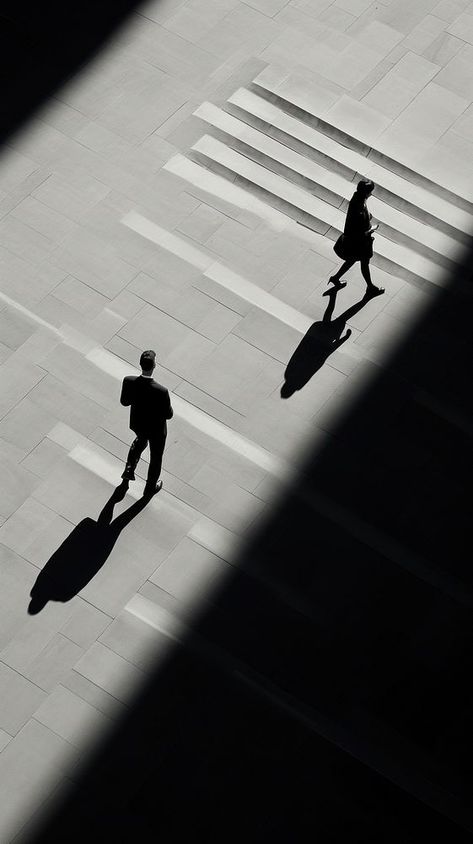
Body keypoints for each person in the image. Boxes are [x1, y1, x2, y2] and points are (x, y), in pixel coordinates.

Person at [120, 350, 173, 497]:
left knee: (140, 441)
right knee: (156, 458)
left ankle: (129, 469)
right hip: (156, 431)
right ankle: (149, 488)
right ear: (154, 365)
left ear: (140, 364)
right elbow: (169, 415)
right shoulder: (162, 391)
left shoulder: (129, 381)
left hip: (139, 425)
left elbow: (124, 402)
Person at [328, 179, 384, 297]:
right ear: (365, 192)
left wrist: (368, 216)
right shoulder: (358, 206)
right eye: (370, 191)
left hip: (354, 241)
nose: (371, 194)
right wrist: (372, 229)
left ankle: (336, 278)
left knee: (352, 260)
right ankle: (370, 288)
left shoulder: (358, 199)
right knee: (364, 262)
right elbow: (358, 230)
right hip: (358, 242)